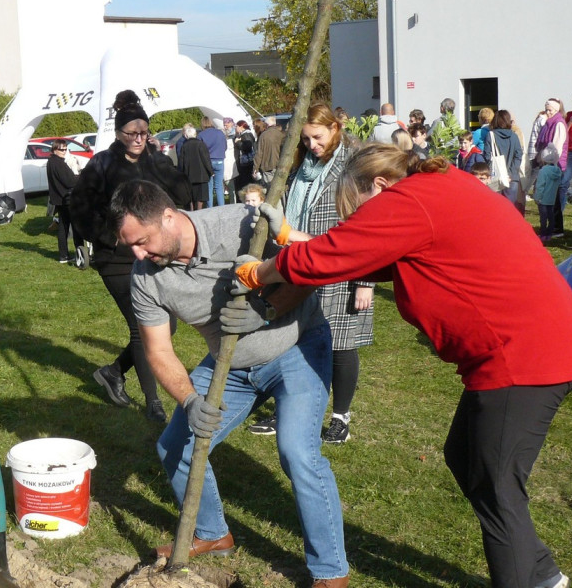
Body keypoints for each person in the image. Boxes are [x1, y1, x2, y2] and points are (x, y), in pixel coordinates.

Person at [236, 144, 572, 588]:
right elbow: (367, 253)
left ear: (379, 185)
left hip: (522, 354)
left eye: (356, 207)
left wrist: (260, 272)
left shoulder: (411, 200)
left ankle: (526, 580)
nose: (357, 219)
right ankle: (542, 574)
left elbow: (341, 253)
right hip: (525, 345)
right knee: (465, 458)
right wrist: (294, 240)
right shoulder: (438, 188)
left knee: (497, 485)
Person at [108, 179, 350, 588]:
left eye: (142, 241)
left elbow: (310, 269)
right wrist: (187, 401)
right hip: (231, 367)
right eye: (130, 245)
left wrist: (268, 309)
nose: (137, 254)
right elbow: (158, 351)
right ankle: (212, 533)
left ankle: (330, 572)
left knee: (297, 452)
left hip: (295, 345)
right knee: (174, 445)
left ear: (168, 217)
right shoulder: (146, 277)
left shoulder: (241, 225)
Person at [249, 103, 373, 443]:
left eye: (317, 137)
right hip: (300, 261)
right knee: (292, 339)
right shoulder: (303, 164)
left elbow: (371, 225)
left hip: (343, 265)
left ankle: (340, 417)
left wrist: (366, 281)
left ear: (334, 128)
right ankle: (286, 407)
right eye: (305, 139)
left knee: (341, 344)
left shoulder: (354, 163)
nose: (312, 145)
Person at [70, 89, 191, 422]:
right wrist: (110, 238)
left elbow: (181, 192)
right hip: (116, 259)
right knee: (143, 327)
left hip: (150, 256)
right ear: (118, 133)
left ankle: (114, 372)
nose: (139, 138)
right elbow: (77, 205)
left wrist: (162, 162)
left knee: (169, 325)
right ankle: (154, 404)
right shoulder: (102, 164)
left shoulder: (155, 160)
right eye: (132, 133)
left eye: (143, 132)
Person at [46, 138, 86, 266]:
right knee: (76, 228)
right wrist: (82, 176)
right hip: (67, 199)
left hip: (60, 199)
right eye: (61, 149)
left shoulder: (52, 161)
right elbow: (69, 181)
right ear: (54, 149)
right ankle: (80, 256)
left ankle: (63, 255)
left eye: (65, 149)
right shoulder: (58, 163)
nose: (64, 151)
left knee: (63, 227)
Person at [535, 99, 568, 236]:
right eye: (546, 109)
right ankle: (552, 226)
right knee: (551, 197)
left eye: (550, 110)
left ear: (556, 110)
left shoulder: (558, 123)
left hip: (554, 163)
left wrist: (551, 162)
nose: (548, 112)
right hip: (548, 162)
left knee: (553, 197)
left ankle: (556, 227)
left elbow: (557, 146)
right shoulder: (548, 123)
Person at [483, 109, 524, 211]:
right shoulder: (514, 136)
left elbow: (487, 156)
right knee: (510, 208)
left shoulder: (491, 135)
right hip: (512, 177)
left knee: (496, 208)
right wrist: (511, 172)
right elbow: (518, 154)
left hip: (496, 176)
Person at [176, 125, 213, 210]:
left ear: (186, 135)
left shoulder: (184, 146)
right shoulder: (201, 144)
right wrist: (211, 171)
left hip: (189, 176)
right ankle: (199, 211)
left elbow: (181, 162)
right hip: (201, 176)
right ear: (195, 134)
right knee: (200, 197)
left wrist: (181, 174)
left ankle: (192, 212)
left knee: (191, 197)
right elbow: (206, 159)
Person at [198, 117, 227, 207]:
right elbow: (225, 146)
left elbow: (200, 150)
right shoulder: (220, 133)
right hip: (219, 160)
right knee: (219, 186)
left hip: (208, 162)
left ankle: (210, 208)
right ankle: (221, 207)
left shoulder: (201, 135)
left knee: (209, 187)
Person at [534, 146, 561, 242]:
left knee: (543, 218)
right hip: (552, 198)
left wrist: (537, 197)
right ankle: (549, 234)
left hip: (543, 199)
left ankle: (543, 234)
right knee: (551, 217)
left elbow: (540, 186)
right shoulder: (558, 171)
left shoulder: (543, 171)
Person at [253, 117, 284, 185]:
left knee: (270, 190)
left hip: (268, 166)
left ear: (266, 124)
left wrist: (255, 169)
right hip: (281, 165)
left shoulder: (263, 135)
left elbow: (259, 154)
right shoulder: (282, 134)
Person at [233, 119, 257, 188]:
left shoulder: (246, 134)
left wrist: (238, 142)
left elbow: (247, 147)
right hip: (246, 161)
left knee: (246, 181)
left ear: (241, 126)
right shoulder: (244, 134)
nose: (235, 128)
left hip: (247, 162)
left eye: (236, 126)